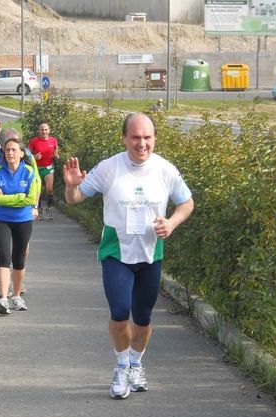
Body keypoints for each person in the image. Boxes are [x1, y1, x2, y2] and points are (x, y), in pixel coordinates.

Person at [63, 113, 194, 400]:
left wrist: (171, 223)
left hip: (150, 254)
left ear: (155, 139)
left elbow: (187, 202)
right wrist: (72, 185)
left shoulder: (165, 170)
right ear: (124, 138)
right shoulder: (109, 168)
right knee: (121, 314)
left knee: (144, 319)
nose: (141, 143)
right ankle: (121, 367)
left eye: (147, 137)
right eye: (135, 137)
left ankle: (136, 364)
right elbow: (74, 199)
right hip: (116, 253)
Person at [0, 135, 40, 314]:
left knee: (19, 259)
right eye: (7, 150)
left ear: (22, 153)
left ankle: (16, 296)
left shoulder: (29, 172)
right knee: (3, 256)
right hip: (1, 219)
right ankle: (3, 299)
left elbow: (31, 198)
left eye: (14, 150)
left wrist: (8, 198)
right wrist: (19, 197)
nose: (10, 153)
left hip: (23, 220)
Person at [28, 122, 59, 220]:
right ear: (39, 131)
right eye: (42, 130)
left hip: (48, 168)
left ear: (49, 131)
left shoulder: (53, 141)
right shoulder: (34, 141)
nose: (44, 132)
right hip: (37, 168)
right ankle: (39, 209)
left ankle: (49, 210)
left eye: (46, 130)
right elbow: (26, 155)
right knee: (38, 190)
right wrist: (34, 157)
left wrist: (56, 156)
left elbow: (55, 152)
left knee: (49, 189)